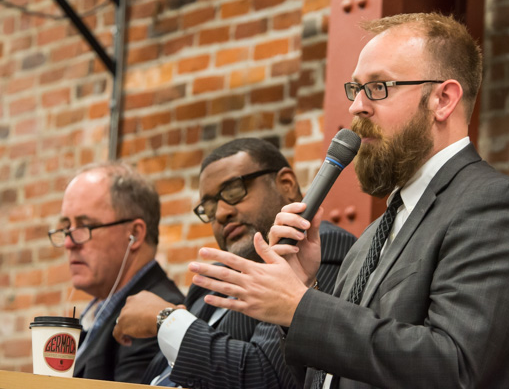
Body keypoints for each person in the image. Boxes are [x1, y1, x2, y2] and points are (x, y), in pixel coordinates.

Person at [187, 13, 509, 388]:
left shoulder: (494, 206)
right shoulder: (372, 236)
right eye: (356, 89)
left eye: (378, 87)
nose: (357, 106)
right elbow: (332, 376)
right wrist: (304, 290)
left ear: (443, 99)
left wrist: (301, 309)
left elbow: (454, 367)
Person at [112, 138, 356, 388]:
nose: (220, 213)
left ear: (286, 184)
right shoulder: (214, 278)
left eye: (233, 191)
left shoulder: (316, 250)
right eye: (209, 205)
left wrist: (166, 319)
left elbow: (266, 376)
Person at [48, 161, 184, 383]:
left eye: (84, 226)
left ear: (135, 234)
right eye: (66, 228)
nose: (69, 243)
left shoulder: (154, 316)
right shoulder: (101, 309)